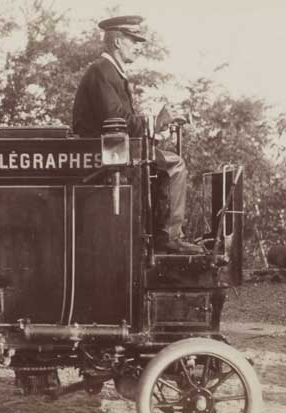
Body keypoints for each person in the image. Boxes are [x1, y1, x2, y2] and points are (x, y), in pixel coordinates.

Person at [72, 15, 203, 254]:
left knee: (169, 161)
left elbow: (120, 120)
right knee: (175, 165)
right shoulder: (102, 71)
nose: (137, 47)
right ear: (118, 42)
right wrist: (155, 121)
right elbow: (115, 121)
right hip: (102, 154)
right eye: (133, 41)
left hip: (112, 150)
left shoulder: (110, 72)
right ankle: (169, 236)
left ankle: (159, 233)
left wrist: (157, 125)